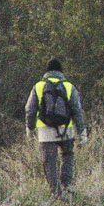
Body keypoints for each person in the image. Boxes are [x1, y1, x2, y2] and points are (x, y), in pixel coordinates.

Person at [23, 62, 79, 195]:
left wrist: (30, 128)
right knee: (67, 155)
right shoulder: (69, 86)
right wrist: (82, 131)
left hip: (45, 132)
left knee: (50, 161)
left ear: (47, 71)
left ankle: (56, 192)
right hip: (66, 130)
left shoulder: (38, 86)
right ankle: (66, 185)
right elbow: (77, 110)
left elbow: (30, 110)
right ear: (61, 71)